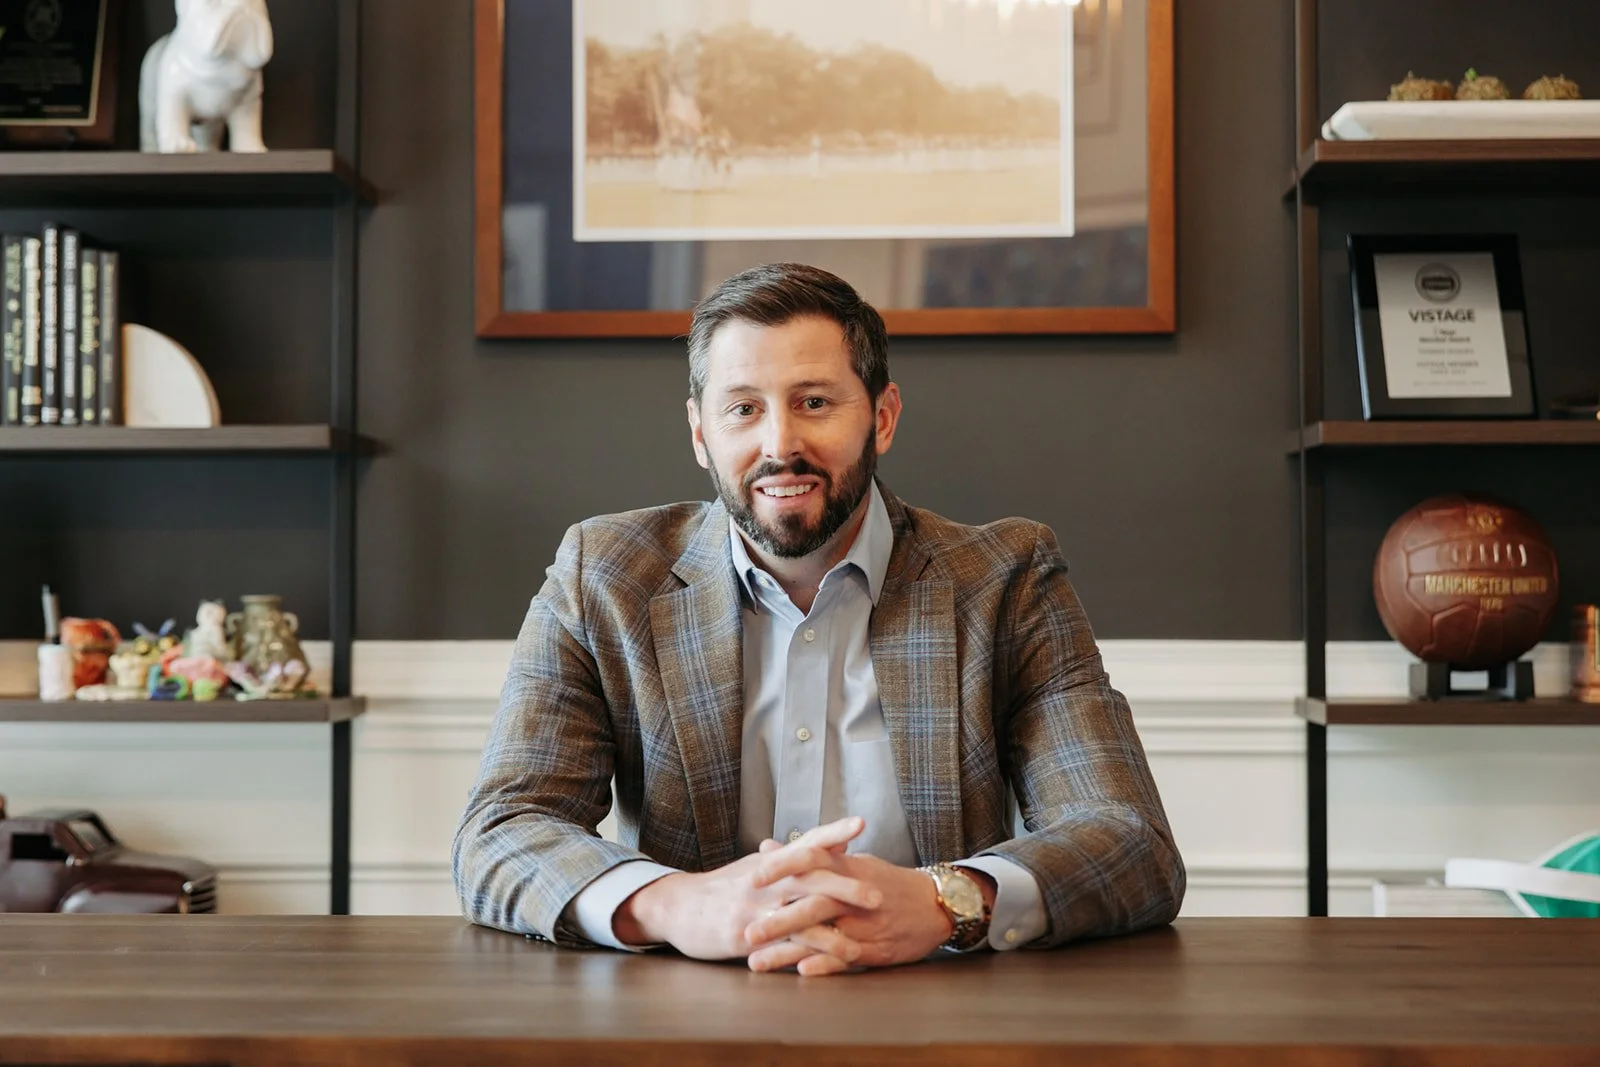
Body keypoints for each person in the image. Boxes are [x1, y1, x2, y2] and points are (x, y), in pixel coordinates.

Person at [453, 263, 1184, 976]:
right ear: (701, 433)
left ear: (883, 417)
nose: (779, 446)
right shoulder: (605, 575)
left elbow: (1129, 839)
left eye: (814, 402)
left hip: (937, 1012)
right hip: (684, 1021)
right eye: (743, 407)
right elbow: (502, 831)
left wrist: (943, 900)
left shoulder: (1005, 579)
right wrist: (680, 904)